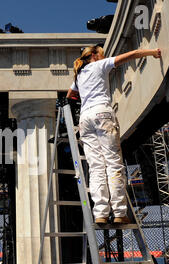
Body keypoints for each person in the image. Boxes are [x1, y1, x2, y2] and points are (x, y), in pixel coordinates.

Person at [67, 46, 162, 224]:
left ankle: (100, 214)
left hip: (85, 118)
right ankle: (119, 212)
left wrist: (84, 97)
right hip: (102, 113)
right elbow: (131, 55)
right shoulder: (99, 65)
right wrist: (153, 52)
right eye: (101, 54)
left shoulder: (79, 74)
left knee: (96, 167)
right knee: (113, 163)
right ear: (94, 55)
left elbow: (70, 94)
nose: (104, 57)